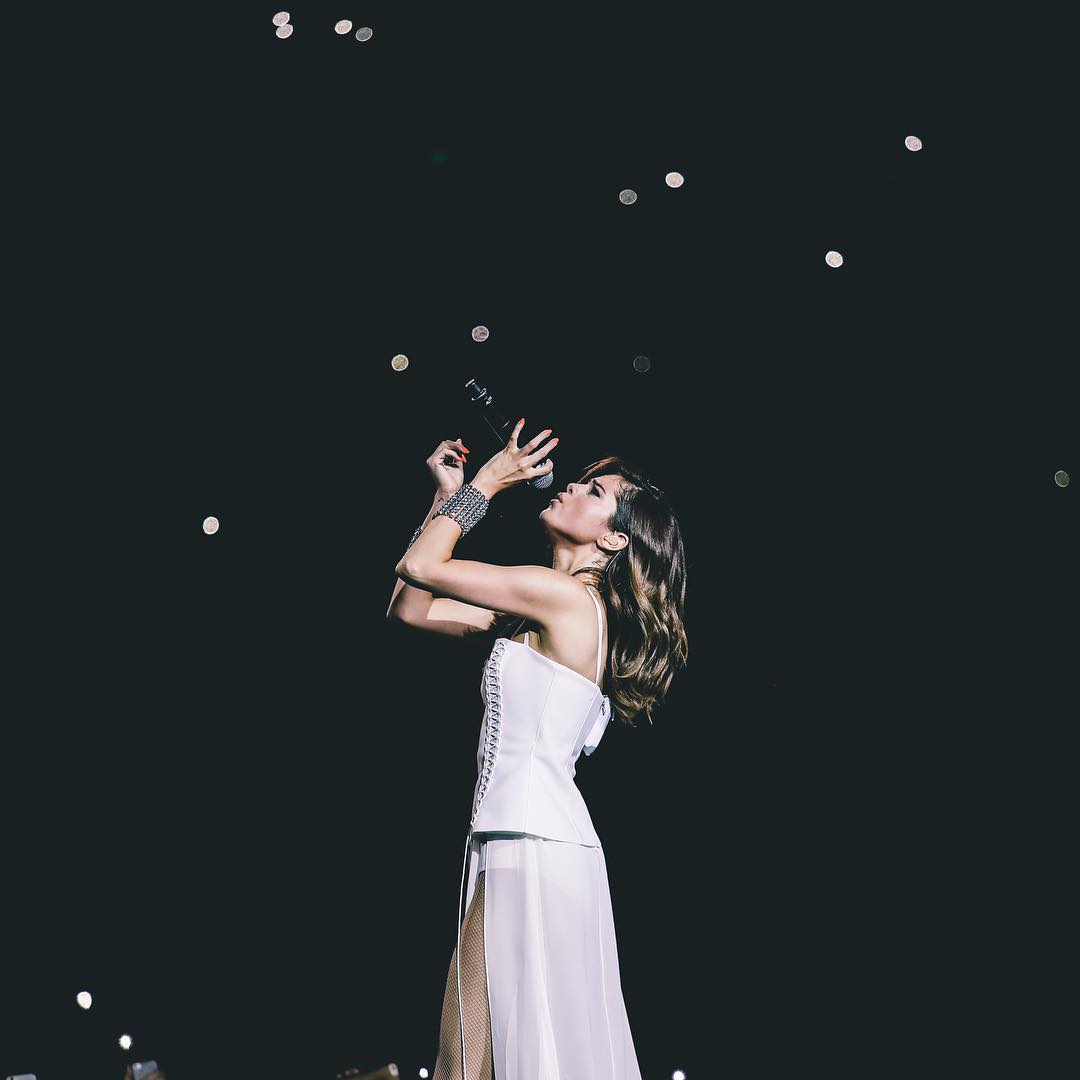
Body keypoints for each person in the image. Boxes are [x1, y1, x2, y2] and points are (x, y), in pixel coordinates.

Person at [388, 421, 689, 1079]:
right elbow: (410, 606)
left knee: (464, 1056)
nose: (571, 487)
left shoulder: (564, 598)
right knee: (479, 1054)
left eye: (594, 492)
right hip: (530, 840)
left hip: (529, 840)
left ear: (614, 538)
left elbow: (420, 566)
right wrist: (447, 498)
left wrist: (486, 483)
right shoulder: (545, 608)